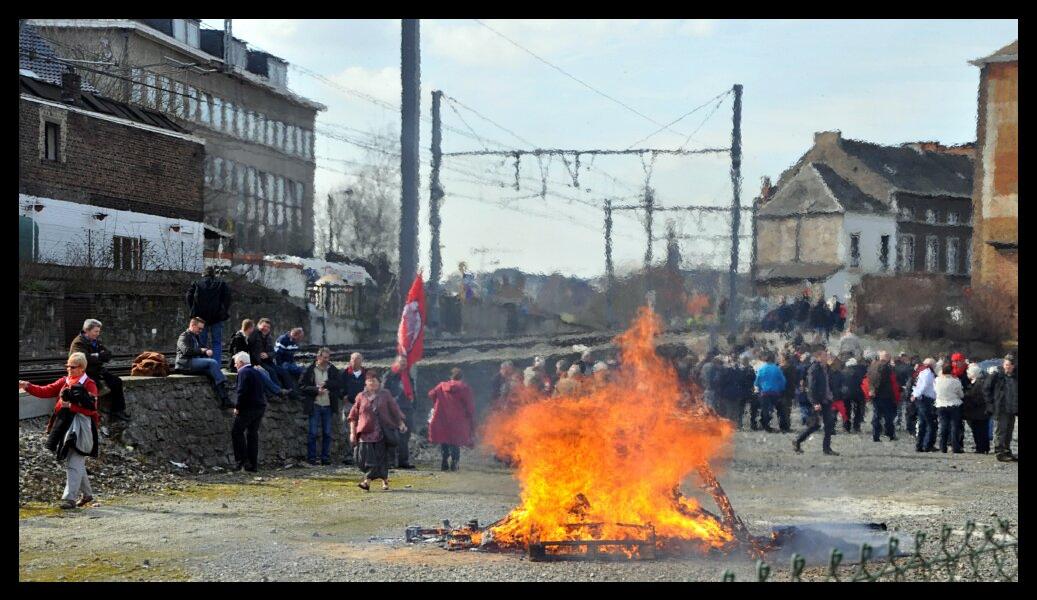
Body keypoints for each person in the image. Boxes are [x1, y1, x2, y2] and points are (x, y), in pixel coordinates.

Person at [19, 352, 100, 509]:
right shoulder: (65, 381)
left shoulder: (90, 384)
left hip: (81, 428)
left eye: (72, 367)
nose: (69, 369)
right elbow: (46, 391)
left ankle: (69, 498)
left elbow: (92, 409)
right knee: (76, 460)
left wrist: (72, 406)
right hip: (66, 426)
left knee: (74, 459)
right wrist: (28, 386)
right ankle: (87, 494)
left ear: (82, 368)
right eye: (67, 366)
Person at [348, 373, 407, 491]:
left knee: (379, 457)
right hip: (365, 432)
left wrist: (400, 423)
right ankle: (384, 480)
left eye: (375, 381)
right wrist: (352, 432)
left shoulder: (385, 394)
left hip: (381, 431)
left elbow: (394, 409)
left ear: (379, 383)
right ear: (365, 383)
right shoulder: (361, 396)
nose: (372, 383)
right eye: (370, 381)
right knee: (363, 458)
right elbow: (353, 416)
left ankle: (367, 482)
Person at [69, 319, 129, 422]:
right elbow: (85, 359)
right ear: (87, 330)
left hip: (97, 370)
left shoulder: (96, 342)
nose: (98, 334)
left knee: (116, 382)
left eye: (98, 331)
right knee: (93, 387)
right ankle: (93, 414)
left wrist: (96, 356)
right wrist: (99, 356)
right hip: (86, 372)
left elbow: (108, 354)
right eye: (95, 331)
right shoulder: (78, 343)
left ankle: (117, 411)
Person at [297, 348, 342, 466]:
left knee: (327, 433)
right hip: (315, 404)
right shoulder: (309, 370)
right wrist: (316, 390)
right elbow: (301, 386)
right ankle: (311, 458)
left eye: (328, 357)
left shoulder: (332, 370)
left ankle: (325, 458)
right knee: (312, 433)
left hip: (328, 405)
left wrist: (327, 384)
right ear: (318, 357)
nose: (327, 360)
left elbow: (338, 383)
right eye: (325, 357)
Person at [428, 367, 476, 471]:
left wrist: (438, 403)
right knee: (455, 441)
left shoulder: (441, 386)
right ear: (461, 377)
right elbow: (470, 405)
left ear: (451, 376)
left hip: (442, 418)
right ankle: (455, 463)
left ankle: (444, 462)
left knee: (444, 439)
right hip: (458, 419)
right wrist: (470, 416)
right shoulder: (464, 387)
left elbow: (431, 394)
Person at [176, 317, 231, 408]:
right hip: (185, 364)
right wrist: (202, 351)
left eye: (202, 329)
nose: (201, 331)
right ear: (193, 326)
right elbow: (186, 351)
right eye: (199, 328)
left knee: (212, 372)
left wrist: (206, 350)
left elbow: (202, 348)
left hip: (193, 363)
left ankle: (224, 399)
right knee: (212, 362)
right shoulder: (184, 336)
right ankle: (224, 384)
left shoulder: (195, 336)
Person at [794, 351, 838, 455]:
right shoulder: (814, 369)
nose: (827, 357)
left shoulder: (827, 369)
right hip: (818, 400)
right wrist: (815, 402)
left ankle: (826, 449)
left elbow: (829, 383)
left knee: (829, 424)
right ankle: (798, 441)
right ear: (818, 357)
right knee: (815, 425)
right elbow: (811, 387)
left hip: (827, 400)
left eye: (827, 355)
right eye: (824, 356)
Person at [186, 266, 232, 367]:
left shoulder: (197, 283)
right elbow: (228, 297)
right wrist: (223, 311)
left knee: (201, 342)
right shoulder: (221, 283)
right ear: (213, 274)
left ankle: (203, 364)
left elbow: (189, 296)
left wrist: (193, 310)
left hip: (201, 318)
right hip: (217, 317)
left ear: (203, 274)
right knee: (217, 342)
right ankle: (216, 365)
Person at [230, 352, 264, 472]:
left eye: (235, 363)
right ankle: (253, 464)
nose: (235, 366)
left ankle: (242, 461)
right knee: (252, 434)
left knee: (236, 432)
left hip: (248, 407)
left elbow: (241, 391)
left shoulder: (243, 372)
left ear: (241, 362)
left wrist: (237, 407)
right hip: (260, 406)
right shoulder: (256, 371)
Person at [383, 356, 417, 469]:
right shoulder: (390, 376)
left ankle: (403, 461)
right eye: (401, 362)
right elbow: (384, 392)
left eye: (405, 363)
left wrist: (413, 405)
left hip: (408, 409)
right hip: (394, 409)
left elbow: (412, 392)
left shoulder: (408, 376)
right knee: (393, 436)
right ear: (396, 363)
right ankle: (391, 462)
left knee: (405, 436)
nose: (403, 365)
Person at [985, 354, 1018, 462]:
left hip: (1012, 408)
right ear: (1003, 364)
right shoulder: (997, 376)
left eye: (1010, 365)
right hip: (1000, 408)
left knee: (1009, 431)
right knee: (1000, 430)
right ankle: (999, 452)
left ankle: (1007, 450)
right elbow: (986, 389)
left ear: (1013, 366)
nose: (1008, 367)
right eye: (1006, 364)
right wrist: (991, 404)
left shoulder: (1015, 377)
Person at [866, 350, 899, 442]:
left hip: (875, 395)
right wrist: (875, 389)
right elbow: (880, 379)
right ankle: (890, 434)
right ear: (887, 358)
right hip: (885, 395)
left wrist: (872, 390)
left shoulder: (872, 366)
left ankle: (875, 435)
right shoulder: (885, 367)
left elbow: (869, 378)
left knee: (877, 415)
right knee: (888, 416)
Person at [962, 363, 992, 454]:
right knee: (981, 430)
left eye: (969, 372)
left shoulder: (978, 383)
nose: (967, 374)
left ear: (973, 374)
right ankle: (983, 447)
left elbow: (976, 397)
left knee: (979, 431)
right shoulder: (980, 382)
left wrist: (966, 398)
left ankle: (981, 448)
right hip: (980, 412)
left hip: (978, 412)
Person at [934, 363, 964, 453]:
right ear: (951, 371)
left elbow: (935, 391)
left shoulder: (937, 380)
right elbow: (961, 394)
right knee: (954, 426)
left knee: (943, 426)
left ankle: (943, 447)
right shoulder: (956, 381)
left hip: (940, 405)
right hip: (954, 404)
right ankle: (955, 447)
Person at [910, 359, 938, 452]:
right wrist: (916, 395)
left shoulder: (921, 371)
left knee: (923, 423)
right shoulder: (927, 372)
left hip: (922, 399)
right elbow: (923, 385)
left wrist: (915, 395)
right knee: (930, 424)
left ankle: (920, 445)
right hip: (925, 399)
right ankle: (927, 445)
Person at [754, 352, 786, 433]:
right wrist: (780, 389)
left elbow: (757, 382)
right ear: (773, 359)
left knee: (765, 410)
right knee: (779, 409)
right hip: (775, 392)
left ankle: (766, 426)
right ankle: (783, 425)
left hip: (764, 392)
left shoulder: (761, 369)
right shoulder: (777, 369)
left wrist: (760, 387)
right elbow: (783, 381)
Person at [841, 358, 867, 433]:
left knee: (846, 410)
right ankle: (856, 426)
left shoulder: (843, 372)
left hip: (846, 393)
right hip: (858, 392)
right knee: (858, 410)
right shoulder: (860, 371)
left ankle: (846, 427)